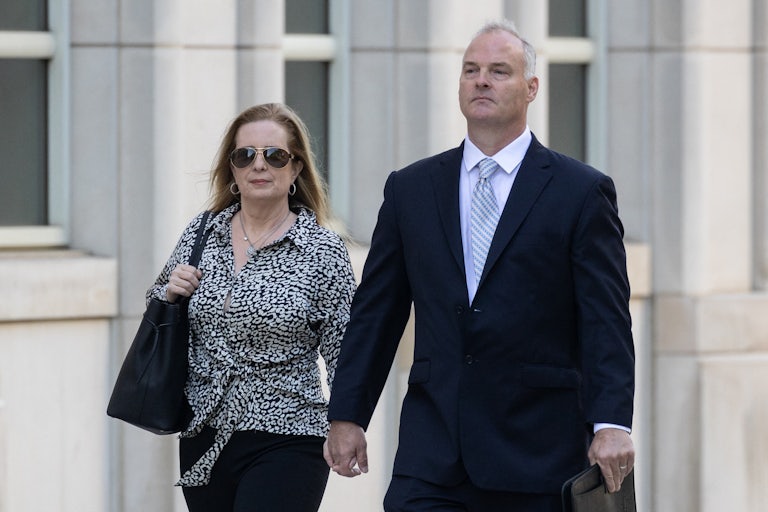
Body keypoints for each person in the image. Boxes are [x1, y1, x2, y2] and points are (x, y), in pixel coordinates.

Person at [323, 20, 635, 511]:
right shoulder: (411, 189)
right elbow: (376, 313)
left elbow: (606, 318)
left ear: (531, 88)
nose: (481, 80)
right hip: (433, 452)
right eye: (471, 70)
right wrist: (347, 414)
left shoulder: (580, 192)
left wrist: (612, 422)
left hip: (538, 452)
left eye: (498, 71)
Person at [147, 103, 356, 511]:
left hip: (289, 433)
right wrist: (169, 292)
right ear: (233, 169)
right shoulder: (202, 232)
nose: (259, 165)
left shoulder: (323, 250)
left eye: (274, 155)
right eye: (245, 155)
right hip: (203, 433)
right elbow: (159, 311)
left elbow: (343, 349)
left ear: (295, 169)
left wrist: (348, 422)